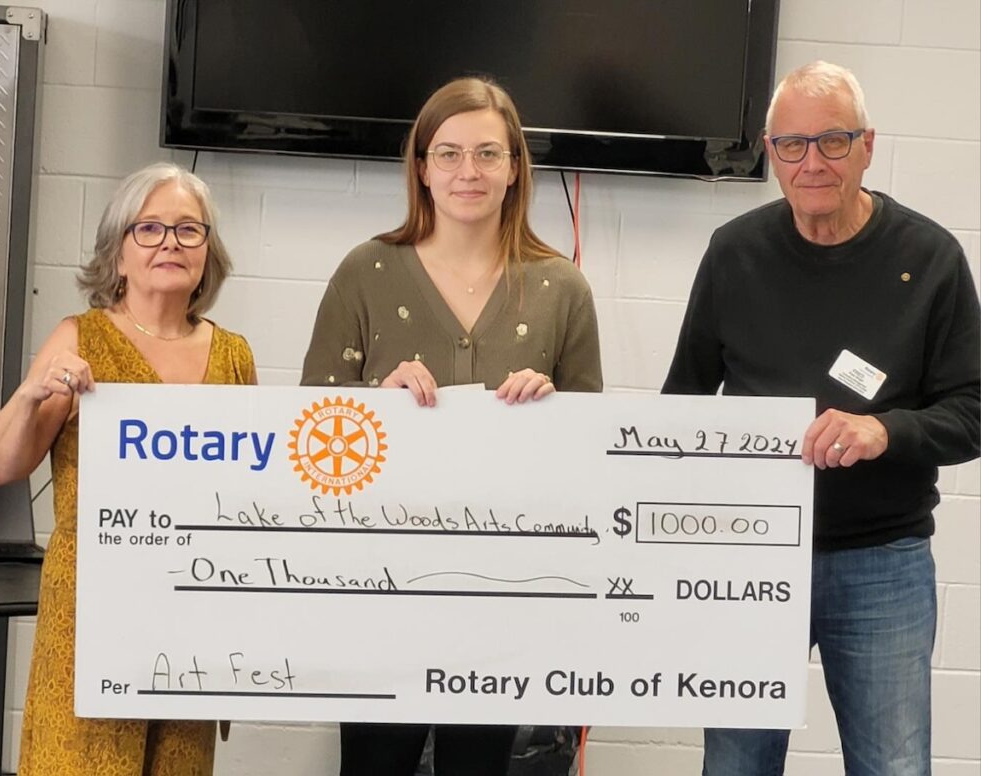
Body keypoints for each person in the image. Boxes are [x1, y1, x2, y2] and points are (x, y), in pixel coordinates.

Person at [662, 61, 980, 776]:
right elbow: (680, 404)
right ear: (770, 152)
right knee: (737, 764)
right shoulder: (734, 253)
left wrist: (886, 430)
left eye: (833, 141)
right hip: (750, 557)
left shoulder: (930, 259)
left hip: (882, 563)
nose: (812, 163)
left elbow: (973, 413)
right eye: (791, 145)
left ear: (868, 146)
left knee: (894, 767)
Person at [301, 76, 603, 776]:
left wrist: (555, 409)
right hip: (380, 589)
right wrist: (375, 402)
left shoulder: (562, 288)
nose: (469, 172)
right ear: (421, 168)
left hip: (509, 592)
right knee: (374, 765)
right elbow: (312, 424)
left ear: (515, 168)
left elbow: (594, 450)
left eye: (488, 154)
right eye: (449, 153)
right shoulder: (366, 271)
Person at [0, 162, 256, 775]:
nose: (170, 244)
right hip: (91, 618)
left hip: (193, 612)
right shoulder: (79, 338)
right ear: (119, 251)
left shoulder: (234, 354)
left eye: (190, 230)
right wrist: (32, 395)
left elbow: (256, 492)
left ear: (207, 253)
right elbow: (1, 465)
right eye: (150, 229)